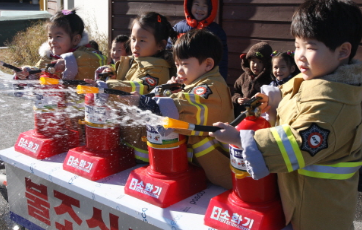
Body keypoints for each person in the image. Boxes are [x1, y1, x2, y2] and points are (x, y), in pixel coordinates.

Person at [211, 0, 362, 230]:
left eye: (311, 47)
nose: (300, 56)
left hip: (319, 209)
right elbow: (290, 89)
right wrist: (272, 98)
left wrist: (240, 139)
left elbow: (295, 143)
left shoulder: (334, 105)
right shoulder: (317, 75)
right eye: (297, 46)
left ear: (343, 51)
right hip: (299, 192)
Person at [136, 29, 234, 189]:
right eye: (177, 65)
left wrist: (149, 102)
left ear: (208, 64)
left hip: (219, 174)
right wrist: (167, 89)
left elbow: (188, 105)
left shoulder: (212, 88)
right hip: (199, 171)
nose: (179, 71)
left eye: (185, 65)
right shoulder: (194, 83)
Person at [103, 12, 177, 163]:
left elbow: (138, 87)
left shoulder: (158, 69)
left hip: (141, 145)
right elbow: (121, 77)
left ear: (160, 45)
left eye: (142, 40)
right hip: (126, 136)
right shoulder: (133, 61)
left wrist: (107, 85)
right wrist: (109, 73)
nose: (135, 45)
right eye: (133, 39)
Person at [15, 8, 107, 80]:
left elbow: (97, 61)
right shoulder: (48, 58)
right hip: (51, 103)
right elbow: (37, 71)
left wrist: (68, 61)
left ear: (76, 39)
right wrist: (26, 73)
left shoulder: (88, 53)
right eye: (50, 37)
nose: (52, 41)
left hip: (79, 103)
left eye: (58, 36)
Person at [172, 0, 229, 80]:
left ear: (211, 8)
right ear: (189, 5)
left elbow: (222, 59)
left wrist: (221, 79)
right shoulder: (179, 28)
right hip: (181, 76)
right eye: (196, 5)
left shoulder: (216, 31)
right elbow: (169, 51)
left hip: (206, 78)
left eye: (204, 6)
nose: (199, 9)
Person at [231, 42, 273, 117]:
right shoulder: (243, 77)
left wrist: (251, 102)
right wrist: (237, 99)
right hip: (239, 114)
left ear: (266, 63)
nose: (256, 65)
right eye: (253, 61)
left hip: (258, 116)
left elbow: (269, 101)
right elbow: (235, 91)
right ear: (248, 61)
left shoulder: (269, 80)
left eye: (260, 62)